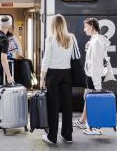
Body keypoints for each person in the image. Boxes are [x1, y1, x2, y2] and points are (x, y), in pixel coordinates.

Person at [40, 14, 77, 144]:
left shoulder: (50, 39)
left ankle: (52, 137)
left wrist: (42, 77)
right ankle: (67, 135)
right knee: (67, 105)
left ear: (53, 25)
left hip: (53, 75)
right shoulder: (71, 38)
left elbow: (46, 59)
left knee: (53, 106)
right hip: (67, 74)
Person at [72, 17, 110, 136]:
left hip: (94, 75)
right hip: (91, 74)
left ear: (92, 26)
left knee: (94, 99)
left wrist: (97, 85)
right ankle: (83, 121)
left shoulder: (97, 42)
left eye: (86, 27)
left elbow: (97, 62)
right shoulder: (94, 40)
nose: (84, 30)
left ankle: (96, 127)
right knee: (87, 97)